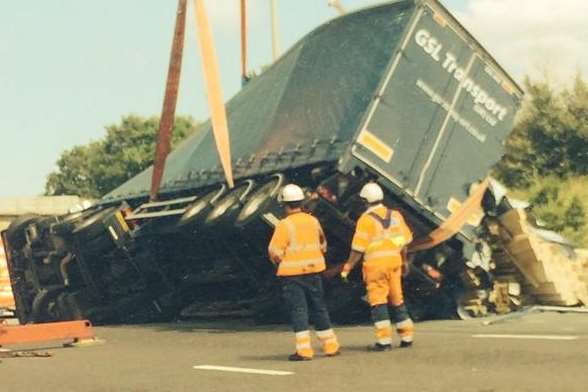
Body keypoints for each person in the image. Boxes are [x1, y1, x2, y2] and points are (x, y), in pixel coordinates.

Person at [268, 184, 340, 361]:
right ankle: (331, 345)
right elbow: (323, 244)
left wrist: (280, 262)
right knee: (319, 307)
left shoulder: (284, 225)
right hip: (314, 271)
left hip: (292, 275)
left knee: (299, 310)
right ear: (301, 202)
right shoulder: (313, 221)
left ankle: (304, 350)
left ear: (284, 204)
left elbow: (275, 251)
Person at [340, 182, 414, 351]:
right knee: (397, 299)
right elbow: (404, 243)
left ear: (364, 201)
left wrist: (347, 267)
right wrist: (404, 262)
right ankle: (407, 337)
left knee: (378, 302)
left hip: (376, 266)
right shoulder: (395, 215)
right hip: (394, 262)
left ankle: (384, 341)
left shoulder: (365, 220)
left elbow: (357, 249)